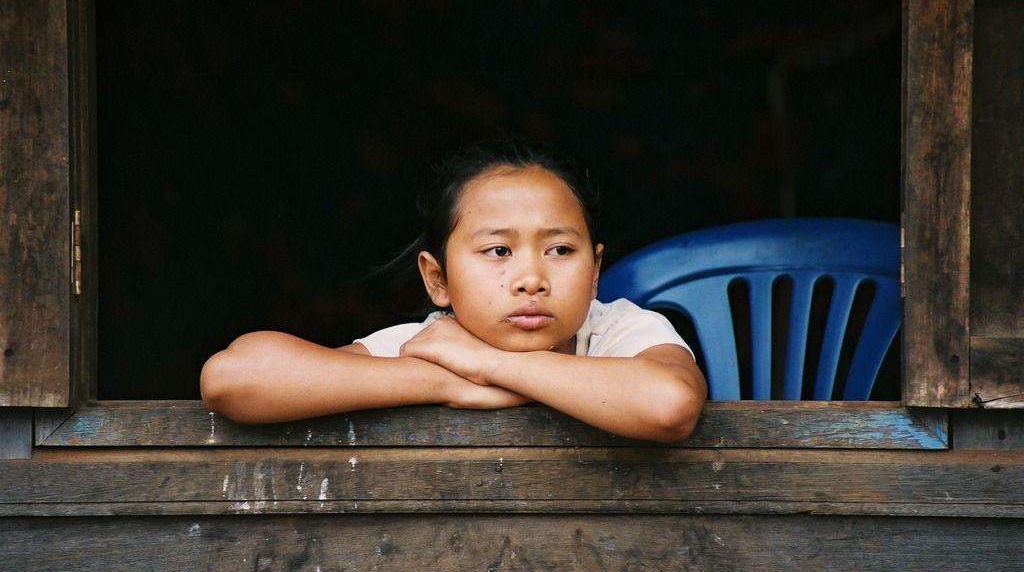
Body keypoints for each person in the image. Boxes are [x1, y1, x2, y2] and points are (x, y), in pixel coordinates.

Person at [200, 139, 706, 442]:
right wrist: (443, 383)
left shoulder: (618, 331)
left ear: (595, 271)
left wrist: (490, 366)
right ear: (437, 279)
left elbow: (669, 405)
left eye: (559, 250)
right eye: (498, 251)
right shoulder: (430, 346)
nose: (531, 278)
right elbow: (232, 379)